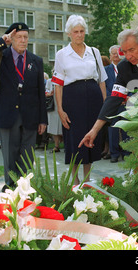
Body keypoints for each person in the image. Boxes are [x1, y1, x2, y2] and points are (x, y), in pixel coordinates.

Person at [0, 23, 47, 191]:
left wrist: (43, 119)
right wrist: (0, 42)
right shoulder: (1, 57)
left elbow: (41, 92)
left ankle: (25, 189)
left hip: (30, 116)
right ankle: (10, 189)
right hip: (7, 116)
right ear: (11, 39)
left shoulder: (36, 60)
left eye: (25, 37)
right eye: (18, 37)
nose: (23, 40)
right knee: (10, 155)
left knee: (27, 157)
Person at [78, 29, 138, 149]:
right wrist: (94, 130)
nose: (128, 56)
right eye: (124, 52)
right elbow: (114, 98)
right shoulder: (124, 67)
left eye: (132, 50)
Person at [51, 15, 107, 185]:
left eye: (82, 31)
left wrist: (105, 105)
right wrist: (60, 109)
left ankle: (88, 181)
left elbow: (102, 80)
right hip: (72, 100)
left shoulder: (94, 52)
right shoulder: (62, 54)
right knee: (75, 140)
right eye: (76, 32)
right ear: (69, 33)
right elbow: (58, 85)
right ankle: (75, 182)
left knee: (90, 139)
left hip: (93, 98)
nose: (79, 35)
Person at [104, 45, 128, 162]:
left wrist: (126, 97)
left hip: (126, 103)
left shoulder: (128, 67)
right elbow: (105, 87)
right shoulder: (106, 70)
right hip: (113, 104)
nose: (116, 55)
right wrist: (114, 100)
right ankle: (114, 154)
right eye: (113, 53)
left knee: (126, 129)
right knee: (113, 129)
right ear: (110, 56)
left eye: (118, 53)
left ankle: (127, 153)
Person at [45, 72, 63, 153]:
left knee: (64, 125)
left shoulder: (65, 80)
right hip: (53, 106)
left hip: (63, 105)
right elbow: (46, 91)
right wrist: (49, 94)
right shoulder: (50, 81)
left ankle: (66, 145)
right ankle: (56, 145)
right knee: (53, 126)